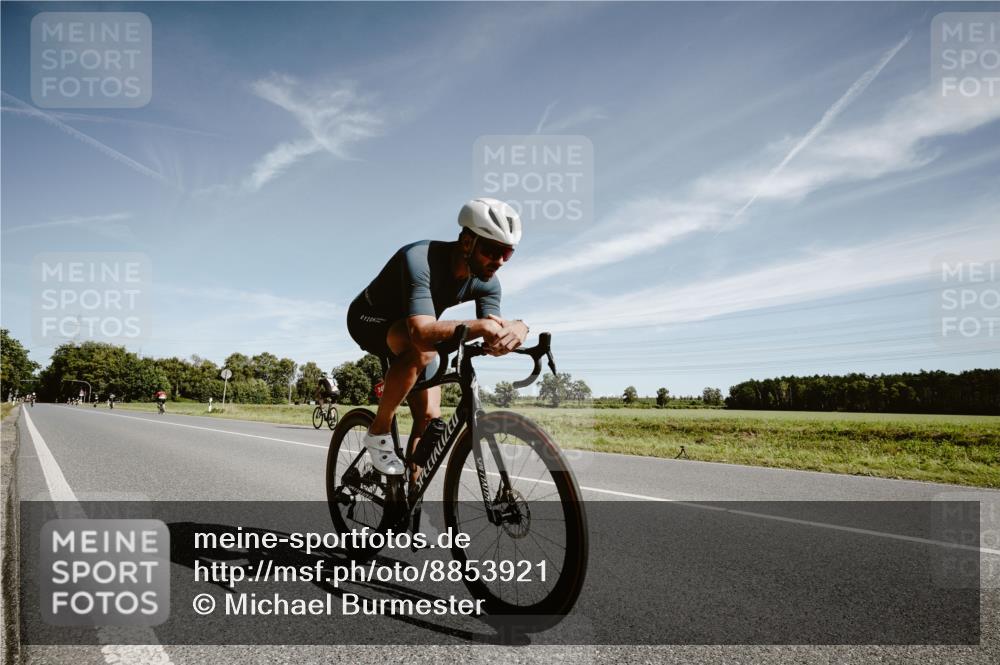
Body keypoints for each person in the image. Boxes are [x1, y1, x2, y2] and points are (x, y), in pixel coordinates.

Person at [346, 198, 529, 476]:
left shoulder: (488, 282)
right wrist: (481, 327)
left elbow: (492, 326)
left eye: (508, 253)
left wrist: (518, 328)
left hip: (414, 332)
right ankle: (378, 431)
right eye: (493, 250)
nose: (500, 261)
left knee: (431, 420)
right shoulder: (419, 258)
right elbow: (420, 333)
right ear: (467, 242)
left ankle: (408, 498)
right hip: (369, 320)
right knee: (422, 349)